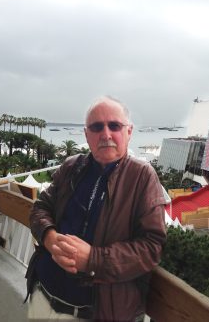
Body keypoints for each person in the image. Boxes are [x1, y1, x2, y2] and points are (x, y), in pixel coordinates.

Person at [25, 96, 167, 321]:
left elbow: (152, 247)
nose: (106, 134)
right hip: (42, 296)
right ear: (86, 134)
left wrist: (93, 259)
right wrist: (49, 238)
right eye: (97, 126)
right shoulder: (72, 167)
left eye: (114, 126)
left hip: (93, 313)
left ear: (129, 132)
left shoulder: (142, 177)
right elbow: (40, 208)